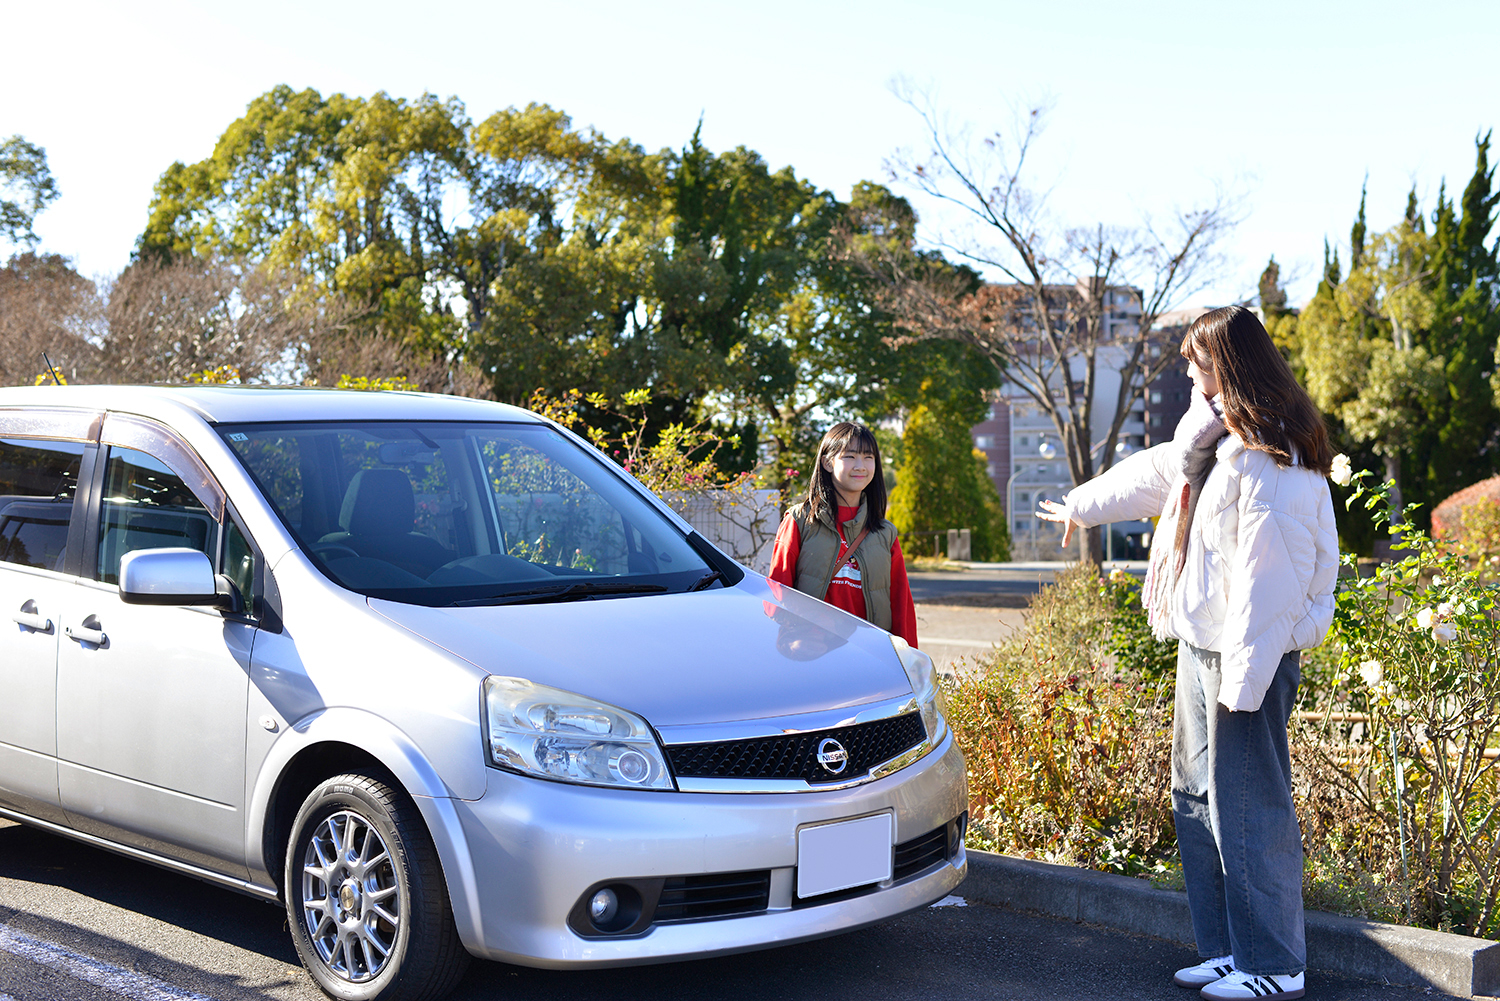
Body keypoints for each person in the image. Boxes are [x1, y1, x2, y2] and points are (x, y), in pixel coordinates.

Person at [1037, 306, 1337, 1001]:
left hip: (1244, 655)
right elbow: (1155, 474)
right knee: (1199, 796)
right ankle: (1232, 948)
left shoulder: (1272, 453)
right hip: (1203, 640)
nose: (1188, 372)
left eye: (1196, 362)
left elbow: (1272, 580)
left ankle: (1274, 964)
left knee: (1249, 803)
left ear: (1227, 363)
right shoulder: (1210, 431)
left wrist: (1246, 678)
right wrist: (1081, 505)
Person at [768, 421, 919, 649]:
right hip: (812, 651)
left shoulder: (885, 533)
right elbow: (776, 592)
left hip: (868, 653)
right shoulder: (800, 520)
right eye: (850, 456)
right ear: (828, 462)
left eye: (869, 457)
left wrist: (908, 660)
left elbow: (901, 604)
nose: (861, 466)